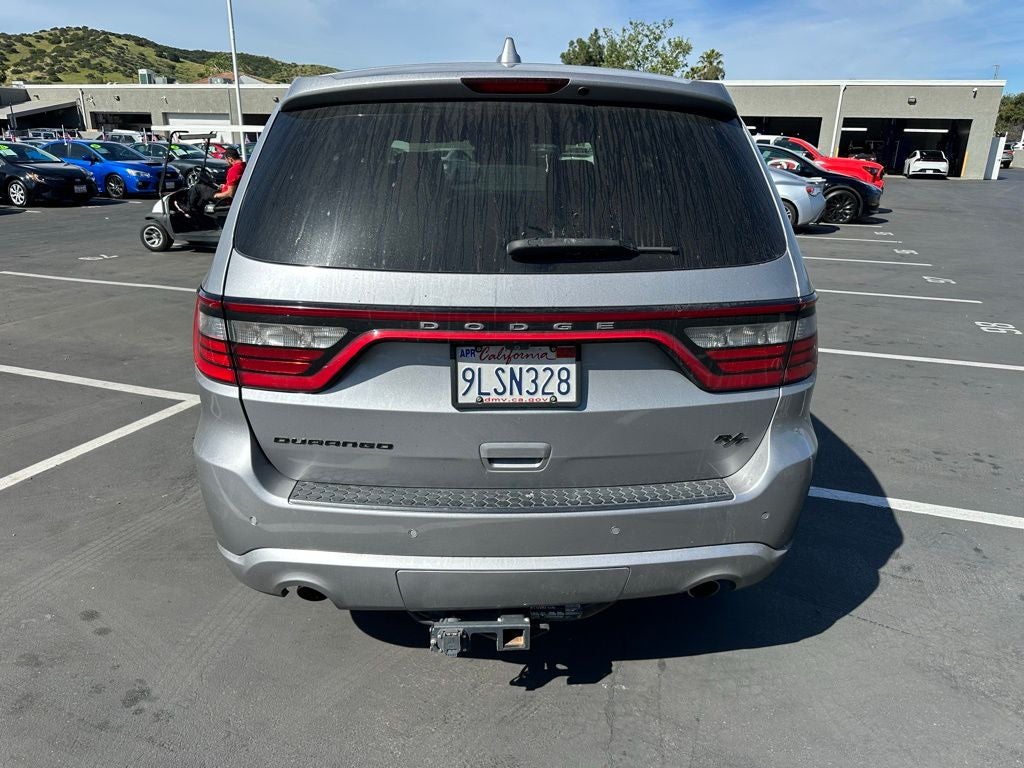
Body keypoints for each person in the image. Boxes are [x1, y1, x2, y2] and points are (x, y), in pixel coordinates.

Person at [183, 146, 246, 213]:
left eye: (226, 160)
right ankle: (198, 213)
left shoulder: (234, 170)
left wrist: (216, 195)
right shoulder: (244, 165)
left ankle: (188, 209)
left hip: (225, 200)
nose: (226, 162)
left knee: (197, 188)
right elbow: (235, 186)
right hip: (230, 195)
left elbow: (230, 194)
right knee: (205, 190)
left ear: (230, 159)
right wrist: (225, 186)